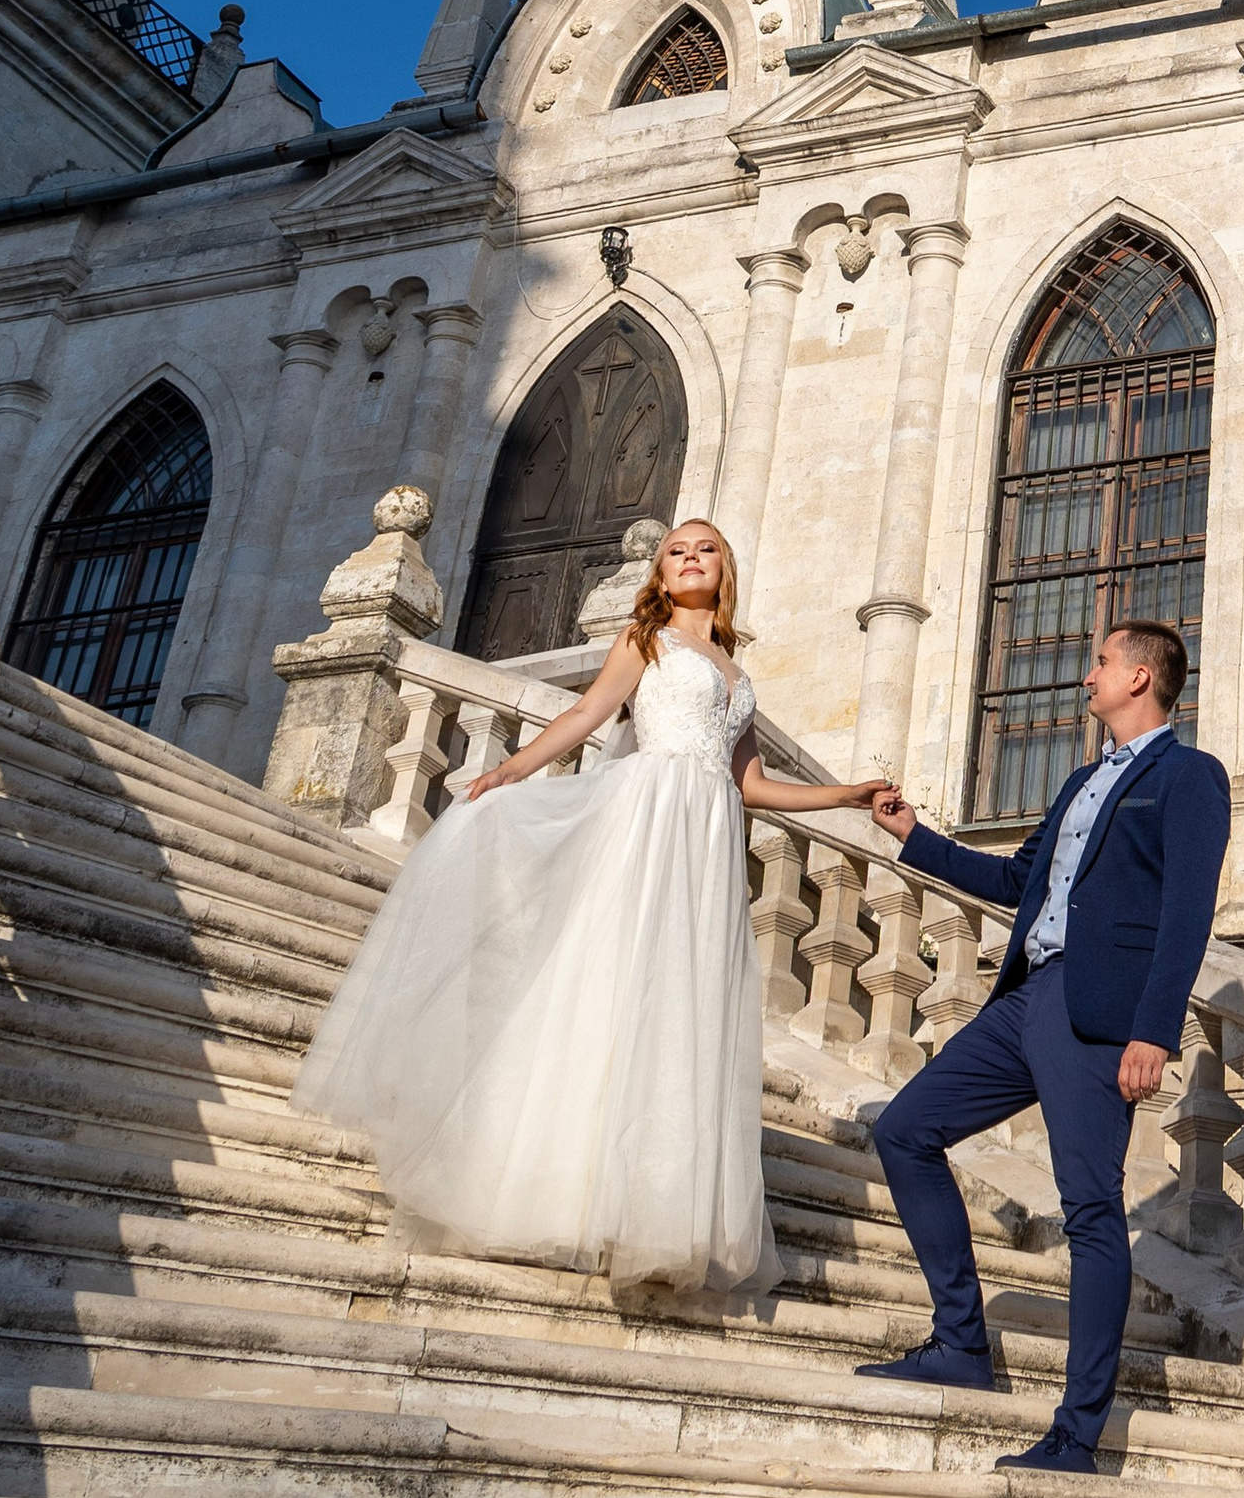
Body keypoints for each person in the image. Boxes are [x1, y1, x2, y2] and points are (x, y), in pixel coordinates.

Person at [294, 518, 890, 1289]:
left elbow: (749, 784)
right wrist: (509, 772)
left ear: (726, 569)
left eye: (704, 549)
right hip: (648, 814)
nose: (688, 559)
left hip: (708, 832)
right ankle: (550, 1184)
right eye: (676, 551)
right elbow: (583, 716)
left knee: (678, 1007)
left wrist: (843, 793)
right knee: (609, 980)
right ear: (660, 573)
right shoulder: (646, 643)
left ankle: (651, 1207)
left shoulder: (738, 677)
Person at [861, 620, 1231, 1473]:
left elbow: (1186, 911)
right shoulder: (1077, 783)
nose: (1087, 675)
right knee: (905, 1131)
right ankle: (960, 1342)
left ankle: (1078, 1431)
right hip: (1023, 996)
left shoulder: (1188, 776)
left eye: (1101, 662)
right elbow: (1017, 883)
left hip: (1096, 1012)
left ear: (1141, 677)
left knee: (1090, 1209)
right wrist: (913, 837)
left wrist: (1154, 1029)